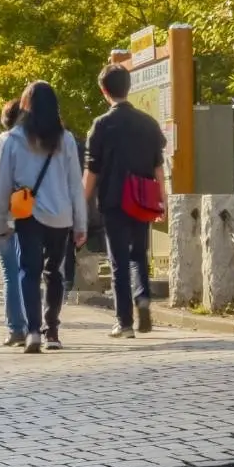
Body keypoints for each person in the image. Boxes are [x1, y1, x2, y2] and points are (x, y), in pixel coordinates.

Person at [0, 82, 86, 354]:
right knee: (54, 272)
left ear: (26, 105)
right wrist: (80, 222)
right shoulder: (65, 139)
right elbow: (74, 184)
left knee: (28, 272)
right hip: (60, 215)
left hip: (28, 214)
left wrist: (0, 222)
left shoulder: (14, 139)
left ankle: (33, 330)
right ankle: (53, 330)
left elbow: (3, 185)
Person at [83, 64, 166, 338]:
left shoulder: (101, 125)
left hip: (113, 199)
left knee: (118, 260)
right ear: (128, 87)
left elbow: (92, 169)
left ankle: (124, 322)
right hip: (142, 199)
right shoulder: (148, 123)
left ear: (104, 91)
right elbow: (158, 167)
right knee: (138, 254)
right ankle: (142, 296)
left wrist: (82, 203)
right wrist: (161, 199)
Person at [0, 100, 28, 346]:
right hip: (28, 209)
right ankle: (36, 324)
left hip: (4, 212)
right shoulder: (33, 141)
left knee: (10, 274)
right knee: (29, 272)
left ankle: (16, 328)